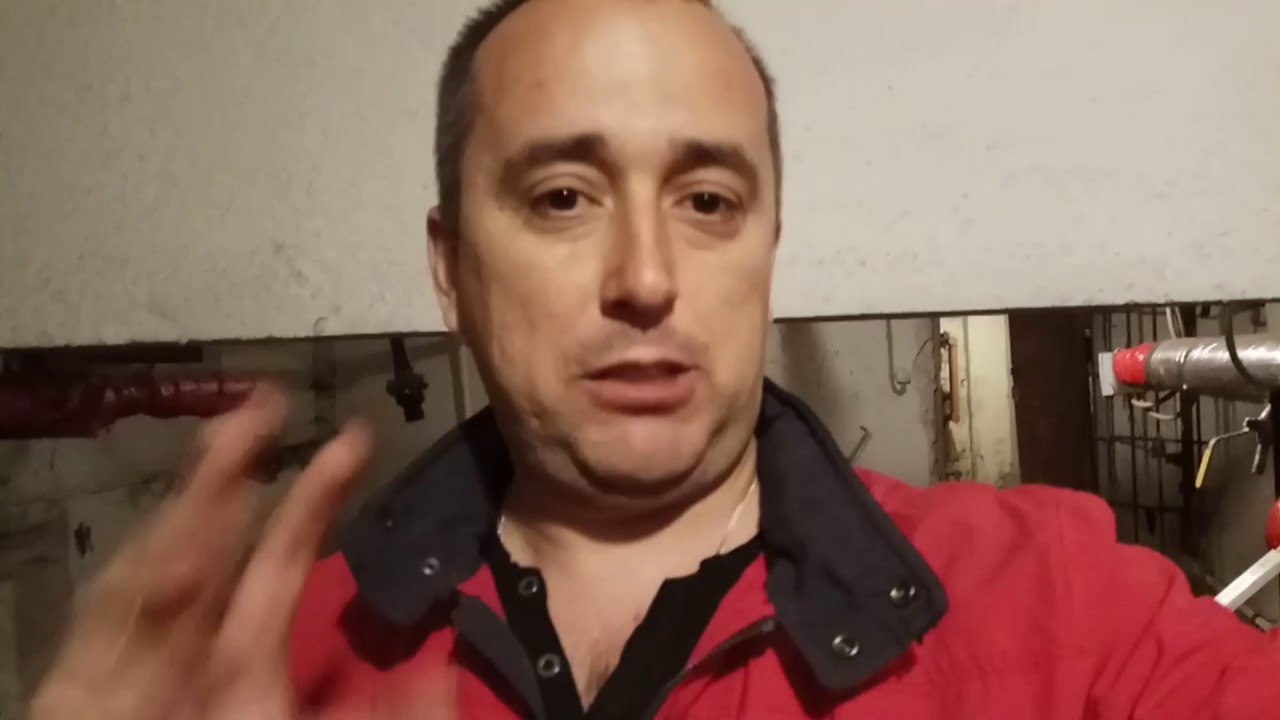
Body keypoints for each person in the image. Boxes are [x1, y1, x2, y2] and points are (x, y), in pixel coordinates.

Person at [30, 0, 1280, 718]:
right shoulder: (266, 666)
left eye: (707, 201)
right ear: (451, 266)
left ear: (768, 249)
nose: (643, 275)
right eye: (562, 197)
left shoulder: (1049, 612)